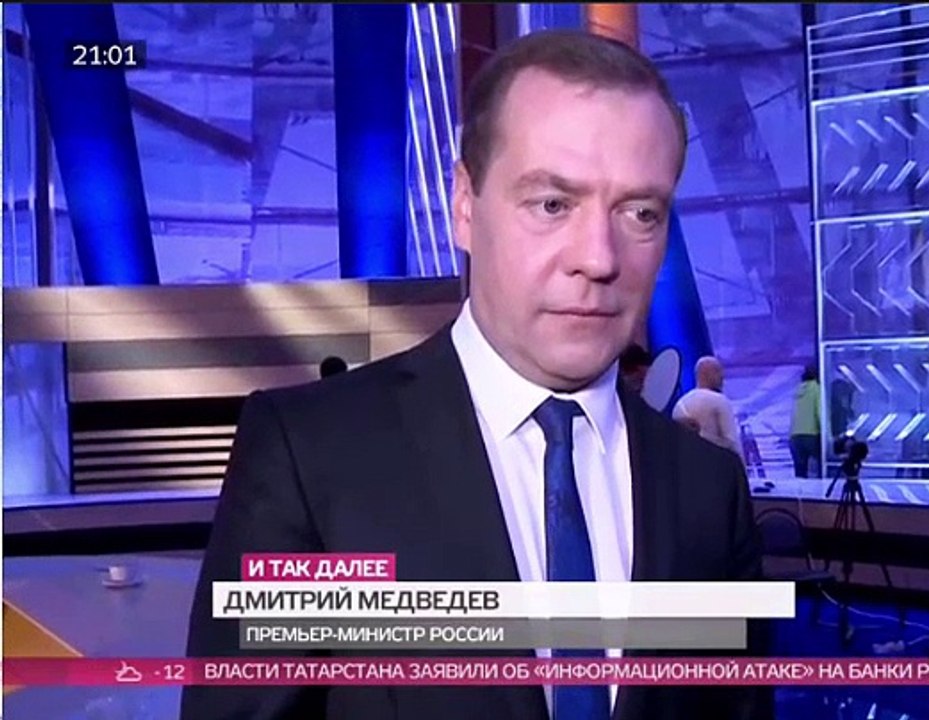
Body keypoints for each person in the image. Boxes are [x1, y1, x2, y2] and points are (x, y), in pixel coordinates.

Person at [183, 30, 770, 720]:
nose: (598, 258)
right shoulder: (310, 458)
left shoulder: (707, 491)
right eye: (553, 204)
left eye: (639, 213)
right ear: (465, 204)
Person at [672, 356, 743, 461]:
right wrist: (742, 469)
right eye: (718, 371)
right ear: (707, 374)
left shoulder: (679, 404)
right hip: (717, 466)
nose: (722, 376)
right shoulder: (719, 400)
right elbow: (732, 444)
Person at [788, 365, 822, 478]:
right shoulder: (817, 389)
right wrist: (827, 433)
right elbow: (820, 412)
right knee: (821, 468)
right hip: (811, 434)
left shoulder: (797, 390)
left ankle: (800, 489)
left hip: (794, 436)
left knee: (800, 472)